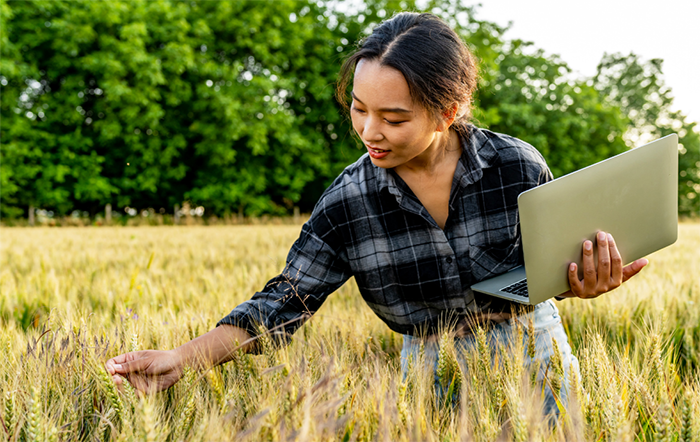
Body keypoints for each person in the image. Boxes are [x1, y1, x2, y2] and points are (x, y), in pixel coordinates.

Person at [106, 12, 647, 415]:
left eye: (392, 117)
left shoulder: (516, 165)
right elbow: (285, 300)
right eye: (358, 109)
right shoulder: (347, 201)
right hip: (429, 372)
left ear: (449, 111)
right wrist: (182, 357)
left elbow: (544, 268)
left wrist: (579, 282)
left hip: (534, 354)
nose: (369, 131)